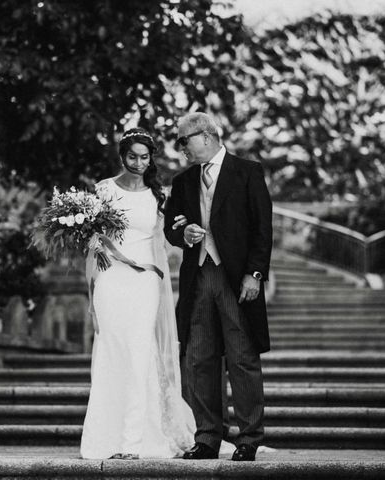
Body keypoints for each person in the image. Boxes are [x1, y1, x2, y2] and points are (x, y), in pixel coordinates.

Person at [81, 128, 221, 459]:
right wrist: (90, 294)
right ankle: (105, 440)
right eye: (133, 156)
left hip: (144, 282)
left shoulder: (158, 196)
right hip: (109, 278)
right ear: (122, 157)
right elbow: (93, 243)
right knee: (110, 352)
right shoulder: (102, 190)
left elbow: (165, 239)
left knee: (139, 354)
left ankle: (134, 442)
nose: (139, 163)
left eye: (145, 157)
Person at [164, 112, 273, 462]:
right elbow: (171, 227)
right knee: (198, 360)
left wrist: (254, 275)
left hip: (236, 279)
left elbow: (262, 228)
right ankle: (208, 437)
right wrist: (184, 234)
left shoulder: (248, 172)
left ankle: (249, 439)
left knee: (242, 359)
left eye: (184, 140)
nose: (181, 148)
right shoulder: (182, 182)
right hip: (198, 278)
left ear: (207, 136)